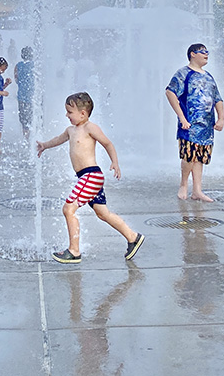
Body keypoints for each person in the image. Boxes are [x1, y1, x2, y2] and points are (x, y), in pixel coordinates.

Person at [37, 91, 144, 264]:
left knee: (68, 209)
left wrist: (115, 162)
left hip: (91, 175)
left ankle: (74, 251)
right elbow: (58, 139)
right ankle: (133, 237)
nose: (67, 115)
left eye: (70, 112)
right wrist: (44, 145)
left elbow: (107, 143)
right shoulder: (70, 130)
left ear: (83, 113)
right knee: (103, 213)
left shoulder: (90, 128)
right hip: (86, 177)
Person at [164, 43, 224, 201]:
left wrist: (221, 118)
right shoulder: (184, 73)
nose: (206, 54)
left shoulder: (208, 76)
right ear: (192, 54)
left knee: (200, 157)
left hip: (207, 125)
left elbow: (217, 98)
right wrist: (182, 117)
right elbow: (170, 92)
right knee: (189, 155)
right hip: (189, 124)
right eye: (202, 52)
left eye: (207, 52)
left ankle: (197, 190)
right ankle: (183, 185)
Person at [15, 46, 36, 138]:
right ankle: (35, 138)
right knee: (34, 116)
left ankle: (26, 139)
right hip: (34, 96)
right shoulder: (35, 65)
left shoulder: (18, 65)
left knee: (24, 120)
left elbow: (16, 79)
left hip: (22, 96)